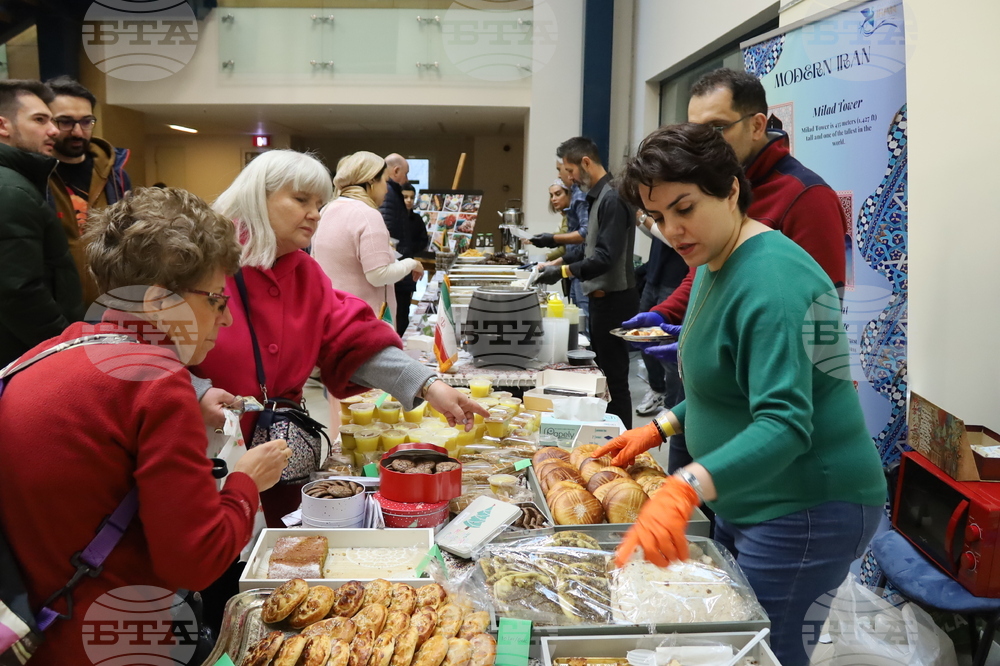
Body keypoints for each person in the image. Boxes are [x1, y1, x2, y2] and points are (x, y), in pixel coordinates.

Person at [596, 124, 886, 666]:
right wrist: (662, 426)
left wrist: (684, 485)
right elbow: (728, 388)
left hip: (807, 505)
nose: (674, 231)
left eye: (685, 208)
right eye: (658, 218)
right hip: (751, 493)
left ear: (730, 189)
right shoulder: (713, 259)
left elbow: (784, 423)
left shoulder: (774, 281)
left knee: (763, 654)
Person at [0, 186, 291, 665]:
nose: (228, 319)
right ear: (159, 302)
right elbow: (195, 561)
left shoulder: (54, 350)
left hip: (41, 628)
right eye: (217, 300)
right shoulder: (156, 382)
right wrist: (246, 483)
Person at [197, 149, 486, 526]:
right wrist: (196, 390)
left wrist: (430, 386)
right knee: (215, 552)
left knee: (281, 552)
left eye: (319, 202)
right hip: (205, 451)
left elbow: (351, 338)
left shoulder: (306, 272)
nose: (315, 213)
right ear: (257, 196)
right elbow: (141, 350)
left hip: (281, 453)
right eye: (301, 200)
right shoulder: (201, 266)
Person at [628, 67, 851, 470]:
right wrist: (667, 317)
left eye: (714, 129)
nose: (699, 142)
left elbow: (817, 315)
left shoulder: (805, 197)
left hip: (778, 446)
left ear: (757, 124)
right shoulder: (710, 199)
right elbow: (704, 276)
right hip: (706, 403)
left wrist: (731, 349)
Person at [535, 137, 638, 428]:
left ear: (585, 163)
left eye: (569, 171)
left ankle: (622, 449)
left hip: (615, 301)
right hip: (601, 299)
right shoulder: (597, 197)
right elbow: (589, 248)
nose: (567, 178)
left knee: (615, 382)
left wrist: (565, 272)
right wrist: (557, 263)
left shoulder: (613, 197)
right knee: (604, 378)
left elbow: (605, 257)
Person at [0, 79, 83, 368]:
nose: (53, 131)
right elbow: (17, 290)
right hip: (21, 356)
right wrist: (64, 345)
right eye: (39, 120)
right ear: (3, 126)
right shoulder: (10, 190)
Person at [45, 76, 131, 308]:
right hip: (54, 307)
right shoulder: (34, 175)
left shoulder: (116, 176)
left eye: (86, 122)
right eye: (65, 122)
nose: (77, 131)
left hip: (108, 306)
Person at [313, 150, 424, 319]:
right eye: (385, 181)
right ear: (372, 181)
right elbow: (378, 275)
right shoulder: (367, 214)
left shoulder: (328, 209)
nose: (387, 189)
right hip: (364, 318)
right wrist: (411, 263)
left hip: (334, 312)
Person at [633, 210, 687, 418]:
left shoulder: (680, 209)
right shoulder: (662, 208)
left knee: (668, 350)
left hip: (674, 282)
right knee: (643, 339)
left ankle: (672, 405)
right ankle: (657, 389)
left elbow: (672, 239)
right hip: (654, 276)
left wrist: (642, 218)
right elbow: (656, 235)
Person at [528, 159, 589, 315]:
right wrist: (554, 263)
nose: (560, 174)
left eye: (563, 169)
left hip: (582, 272)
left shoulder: (581, 196)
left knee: (583, 319)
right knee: (577, 316)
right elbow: (576, 249)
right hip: (574, 270)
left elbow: (584, 237)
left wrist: (552, 241)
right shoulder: (570, 211)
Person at [390, 181, 430, 335]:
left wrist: (409, 249)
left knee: (404, 310)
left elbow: (423, 240)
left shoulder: (417, 220)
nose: (408, 200)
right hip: (393, 266)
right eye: (405, 197)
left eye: (412, 197)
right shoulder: (394, 218)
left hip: (409, 265)